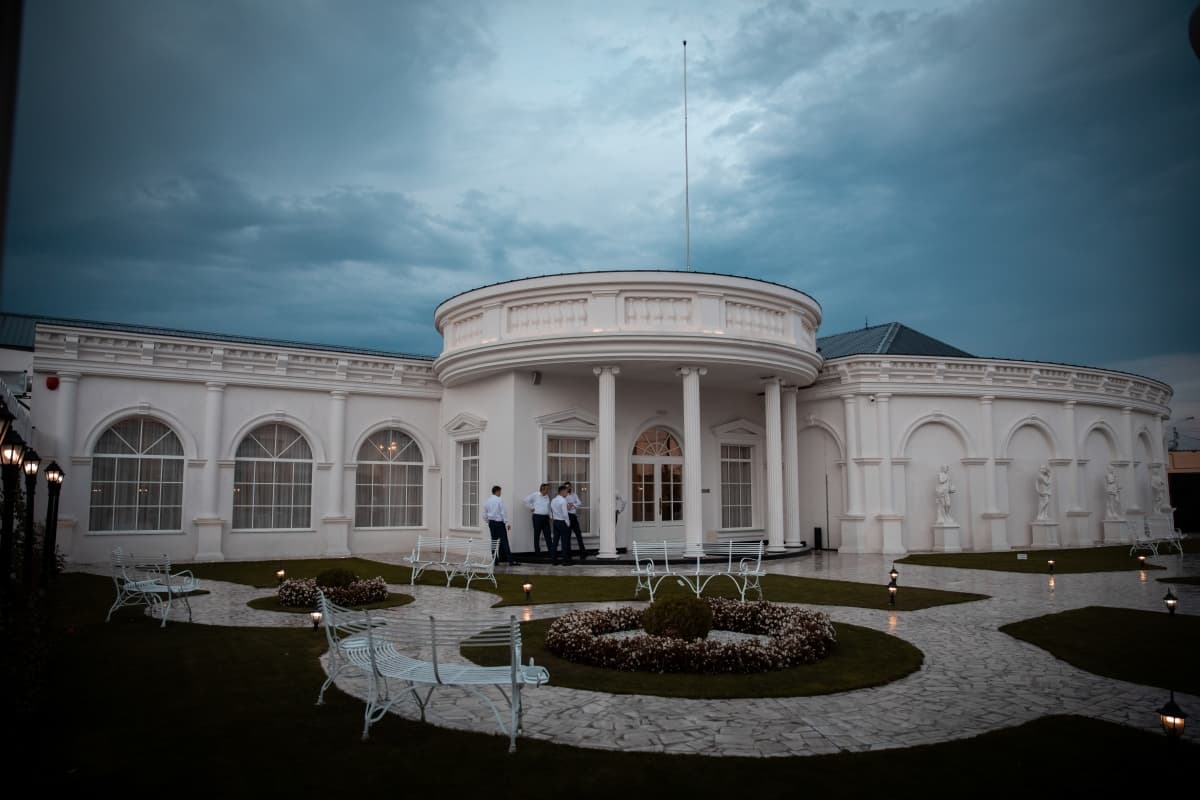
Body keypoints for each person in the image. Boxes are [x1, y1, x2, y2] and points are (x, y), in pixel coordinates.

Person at [481, 485, 518, 566]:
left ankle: (495, 560)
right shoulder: (499, 500)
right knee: (504, 541)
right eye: (500, 491)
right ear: (497, 491)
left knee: (494, 541)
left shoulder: (487, 501)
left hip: (492, 523)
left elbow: (484, 514)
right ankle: (510, 561)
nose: (501, 493)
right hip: (499, 523)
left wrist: (489, 521)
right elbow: (503, 512)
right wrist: (507, 523)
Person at [524, 483, 553, 554]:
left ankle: (551, 551)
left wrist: (551, 516)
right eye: (547, 489)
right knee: (537, 534)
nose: (548, 490)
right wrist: (531, 507)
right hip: (537, 517)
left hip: (546, 518)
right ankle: (537, 552)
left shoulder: (547, 497)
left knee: (548, 534)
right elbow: (525, 500)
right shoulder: (535, 495)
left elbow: (548, 508)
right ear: (543, 489)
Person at [549, 483, 572, 565]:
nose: (567, 493)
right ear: (562, 491)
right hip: (562, 522)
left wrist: (553, 518)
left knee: (555, 541)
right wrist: (568, 523)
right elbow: (565, 514)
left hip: (555, 522)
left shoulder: (553, 500)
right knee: (564, 542)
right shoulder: (563, 500)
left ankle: (553, 560)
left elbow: (551, 511)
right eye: (566, 491)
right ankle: (565, 561)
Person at [564, 481, 586, 560]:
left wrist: (573, 504)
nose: (567, 488)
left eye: (568, 487)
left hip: (573, 516)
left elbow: (579, 503)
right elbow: (562, 506)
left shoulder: (574, 494)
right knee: (567, 536)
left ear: (570, 487)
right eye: (566, 487)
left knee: (578, 534)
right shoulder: (563, 496)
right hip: (567, 516)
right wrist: (567, 506)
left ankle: (583, 552)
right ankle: (568, 554)